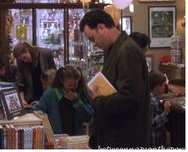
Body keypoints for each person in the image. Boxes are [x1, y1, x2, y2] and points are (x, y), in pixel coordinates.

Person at [80, 9, 151, 149]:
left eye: (92, 38)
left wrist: (97, 100)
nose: (93, 44)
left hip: (125, 137)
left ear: (101, 27)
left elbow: (129, 97)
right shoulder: (114, 48)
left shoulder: (127, 50)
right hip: (115, 134)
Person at [32, 65, 93, 135]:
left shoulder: (81, 94)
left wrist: (76, 101)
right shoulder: (50, 94)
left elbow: (88, 117)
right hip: (56, 138)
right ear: (62, 81)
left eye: (75, 85)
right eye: (69, 85)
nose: (72, 88)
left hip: (76, 139)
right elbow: (36, 112)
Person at [149, 70, 171, 148]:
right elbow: (153, 123)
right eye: (164, 85)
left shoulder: (150, 97)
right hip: (155, 141)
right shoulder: (152, 101)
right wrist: (165, 113)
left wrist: (161, 102)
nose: (165, 87)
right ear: (158, 87)